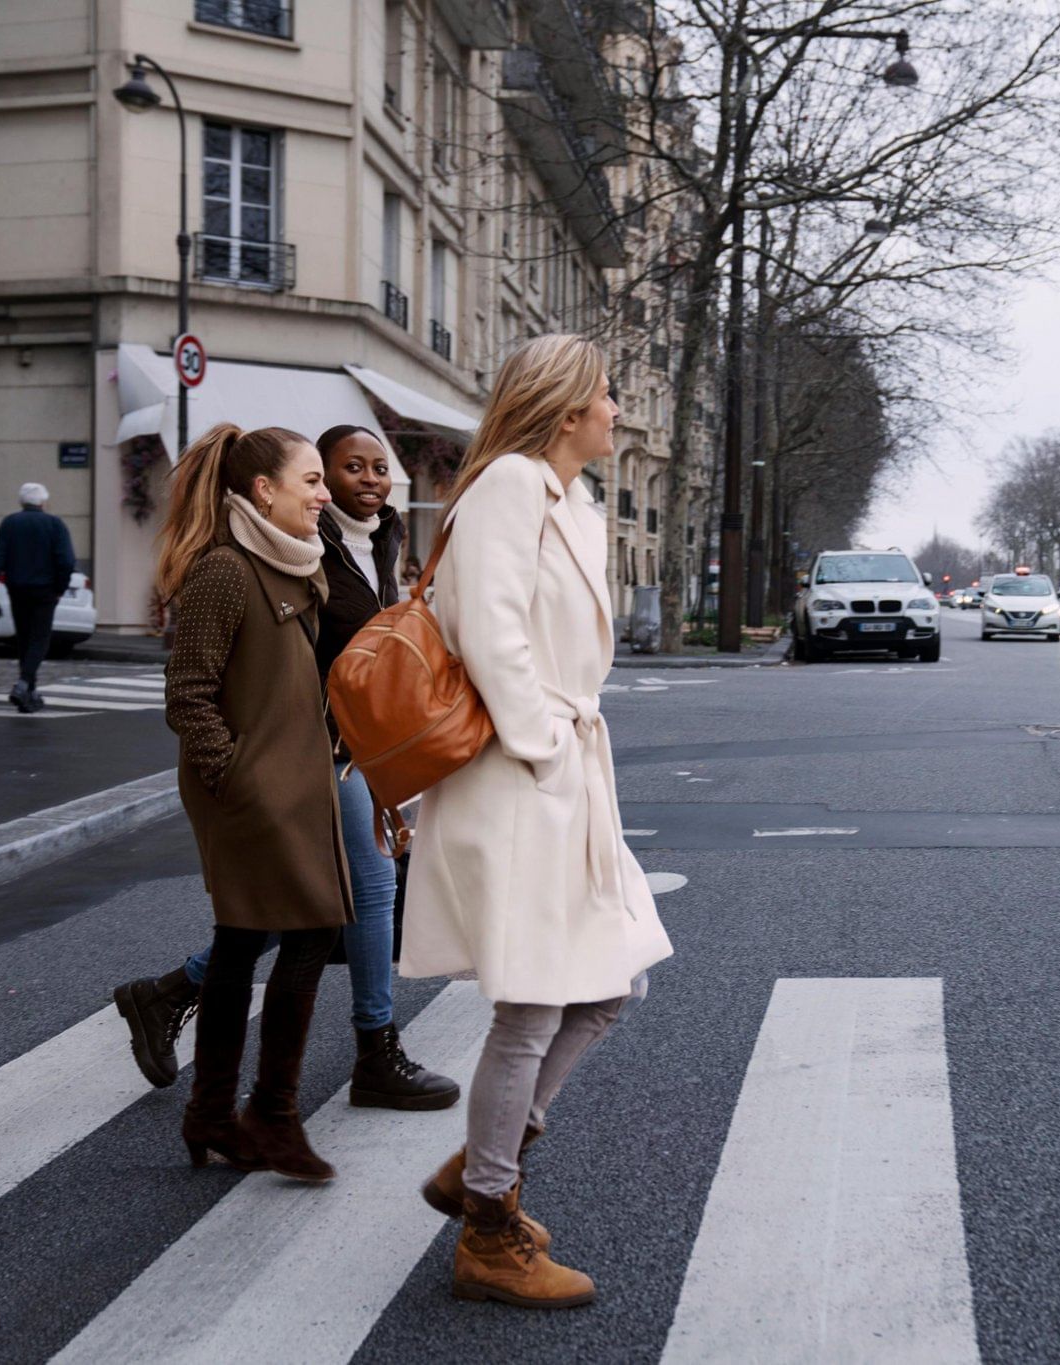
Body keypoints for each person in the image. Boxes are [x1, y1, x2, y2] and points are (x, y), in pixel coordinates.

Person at [406, 335, 673, 1309]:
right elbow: (488, 627)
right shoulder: (510, 487)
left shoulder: (572, 504)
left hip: (561, 775)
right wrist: (543, 746)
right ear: (566, 411)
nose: (617, 410)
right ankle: (486, 1228)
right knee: (533, 1004)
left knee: (602, 986)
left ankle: (482, 1167)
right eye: (606, 396)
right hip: (521, 776)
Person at [112, 426, 458, 1112]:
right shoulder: (293, 551)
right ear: (295, 485)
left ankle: (173, 995)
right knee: (351, 895)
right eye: (337, 471)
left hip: (344, 747)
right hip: (296, 755)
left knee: (322, 905)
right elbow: (197, 689)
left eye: (378, 467)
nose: (360, 481)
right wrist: (241, 777)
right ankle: (369, 1052)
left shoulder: (381, 539)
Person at [152, 422, 351, 1181]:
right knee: (311, 930)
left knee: (241, 942)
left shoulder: (295, 566)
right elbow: (187, 695)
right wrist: (235, 775)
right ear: (262, 491)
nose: (323, 494)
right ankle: (271, 1114)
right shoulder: (227, 571)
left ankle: (211, 1112)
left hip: (300, 788)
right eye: (311, 481)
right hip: (255, 795)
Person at [0, 483, 76, 713]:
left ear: (22, 502)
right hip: (45, 590)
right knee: (39, 640)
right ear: (43, 502)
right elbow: (66, 560)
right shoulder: (54, 524)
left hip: (17, 589)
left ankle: (28, 693)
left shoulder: (10, 523)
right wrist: (60, 588)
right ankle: (24, 684)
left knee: (24, 640)